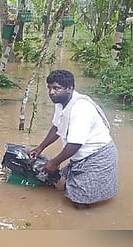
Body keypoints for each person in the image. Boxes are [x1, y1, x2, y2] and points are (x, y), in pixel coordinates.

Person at [29, 69, 118, 209]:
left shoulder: (80, 109)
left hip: (98, 156)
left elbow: (75, 144)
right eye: (50, 88)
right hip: (81, 155)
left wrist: (53, 162)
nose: (51, 92)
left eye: (56, 88)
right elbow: (57, 128)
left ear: (70, 88)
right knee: (64, 187)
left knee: (79, 202)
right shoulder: (61, 102)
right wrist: (40, 148)